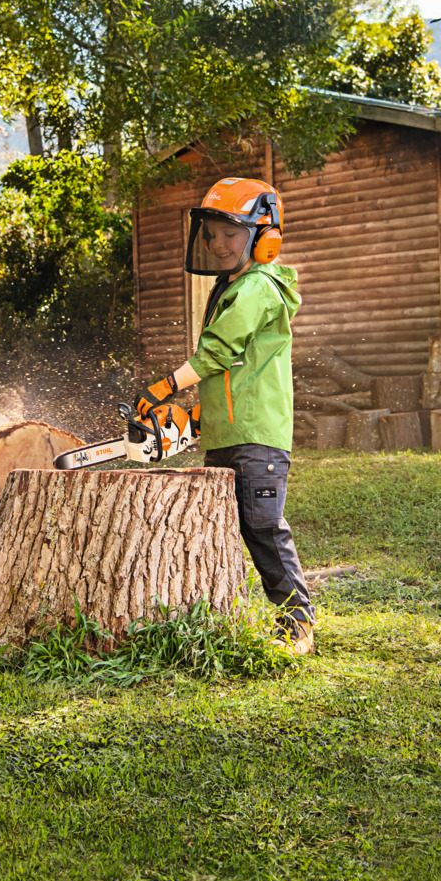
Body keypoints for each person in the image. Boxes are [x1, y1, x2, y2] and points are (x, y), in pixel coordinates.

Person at [134, 177, 314, 655]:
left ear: (263, 235)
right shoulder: (229, 287)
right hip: (229, 433)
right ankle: (230, 615)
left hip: (257, 438)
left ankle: (298, 626)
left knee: (264, 530)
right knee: (227, 530)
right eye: (212, 234)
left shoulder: (257, 287)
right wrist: (194, 419)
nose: (218, 244)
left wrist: (165, 387)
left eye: (230, 234)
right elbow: (232, 376)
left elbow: (216, 354)